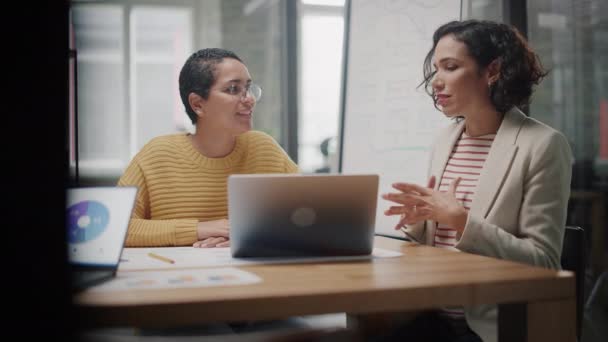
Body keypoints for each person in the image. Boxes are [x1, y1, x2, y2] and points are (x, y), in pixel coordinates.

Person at [381, 20, 572, 342]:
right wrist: (420, 223)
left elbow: (544, 262)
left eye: (451, 67)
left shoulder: (543, 145)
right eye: (435, 69)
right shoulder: (446, 140)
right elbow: (441, 242)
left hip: (491, 327)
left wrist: (459, 220)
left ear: (492, 70)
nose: (436, 82)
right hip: (432, 316)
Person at [118, 48, 298, 248]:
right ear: (197, 104)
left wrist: (251, 235)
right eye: (232, 89)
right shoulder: (157, 155)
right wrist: (200, 229)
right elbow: (117, 228)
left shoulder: (265, 149)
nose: (249, 99)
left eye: (248, 88)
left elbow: (309, 215)